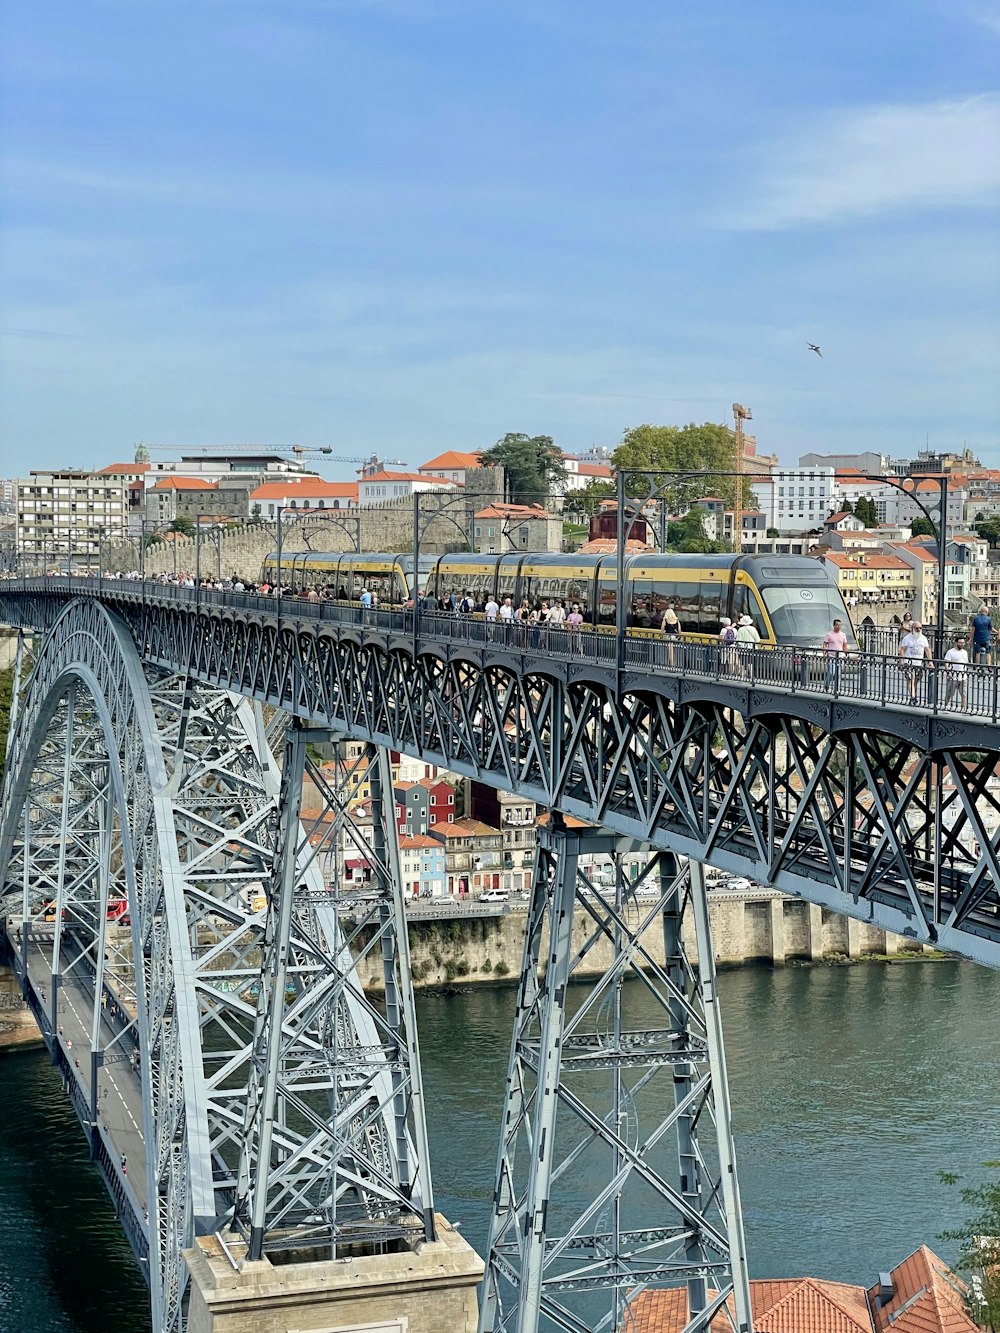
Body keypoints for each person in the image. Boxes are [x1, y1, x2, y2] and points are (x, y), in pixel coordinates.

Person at [898, 620, 932, 703]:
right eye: (917, 628)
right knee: (910, 680)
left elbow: (927, 650)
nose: (919, 630)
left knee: (915, 681)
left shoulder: (923, 638)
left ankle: (913, 696)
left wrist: (930, 661)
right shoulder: (907, 638)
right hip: (909, 662)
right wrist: (901, 661)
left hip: (918, 663)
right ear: (913, 628)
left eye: (920, 628)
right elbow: (902, 650)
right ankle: (913, 697)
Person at [822, 618, 849, 691]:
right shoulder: (829, 634)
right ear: (834, 625)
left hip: (840, 656)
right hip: (831, 656)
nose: (839, 627)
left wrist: (846, 654)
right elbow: (825, 644)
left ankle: (837, 689)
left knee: (838, 674)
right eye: (837, 625)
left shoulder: (843, 635)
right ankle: (827, 685)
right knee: (831, 672)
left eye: (840, 625)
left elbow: (844, 645)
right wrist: (824, 653)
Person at [944, 634, 970, 710]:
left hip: (963, 676)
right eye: (960, 642)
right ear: (956, 643)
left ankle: (964, 708)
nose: (962, 644)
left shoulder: (965, 652)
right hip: (953, 676)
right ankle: (945, 705)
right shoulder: (950, 652)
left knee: (964, 693)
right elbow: (946, 662)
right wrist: (948, 672)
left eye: (963, 643)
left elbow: (966, 662)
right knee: (950, 693)